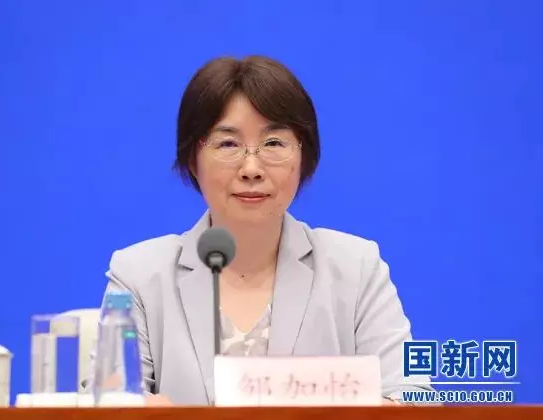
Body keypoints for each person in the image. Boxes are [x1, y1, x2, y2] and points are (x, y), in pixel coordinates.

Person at [96, 55, 433, 406]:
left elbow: (414, 399)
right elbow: (106, 402)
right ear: (193, 160)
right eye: (228, 144)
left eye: (273, 143)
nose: (251, 168)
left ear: (303, 157)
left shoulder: (355, 268)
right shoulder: (139, 277)